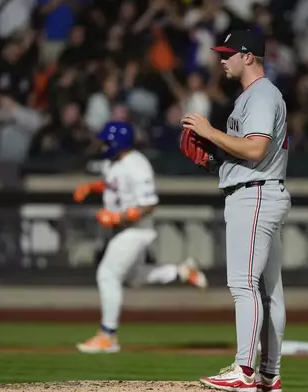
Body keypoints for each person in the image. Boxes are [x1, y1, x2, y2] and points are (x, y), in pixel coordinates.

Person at [180, 30, 290, 392]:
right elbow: (245, 154)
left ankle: (244, 369)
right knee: (268, 291)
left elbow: (256, 150)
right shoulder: (254, 96)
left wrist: (210, 132)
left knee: (243, 285)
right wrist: (216, 162)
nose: (222, 60)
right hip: (259, 189)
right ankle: (268, 375)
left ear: (248, 56)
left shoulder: (260, 95)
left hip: (254, 196)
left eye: (228, 54)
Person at [73, 121, 209, 354]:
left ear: (117, 142)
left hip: (136, 229)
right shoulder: (114, 162)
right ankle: (182, 272)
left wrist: (118, 218)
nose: (102, 144)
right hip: (125, 229)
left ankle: (108, 336)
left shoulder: (137, 165)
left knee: (107, 275)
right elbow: (113, 184)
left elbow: (149, 204)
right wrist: (92, 187)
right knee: (135, 277)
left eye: (106, 140)